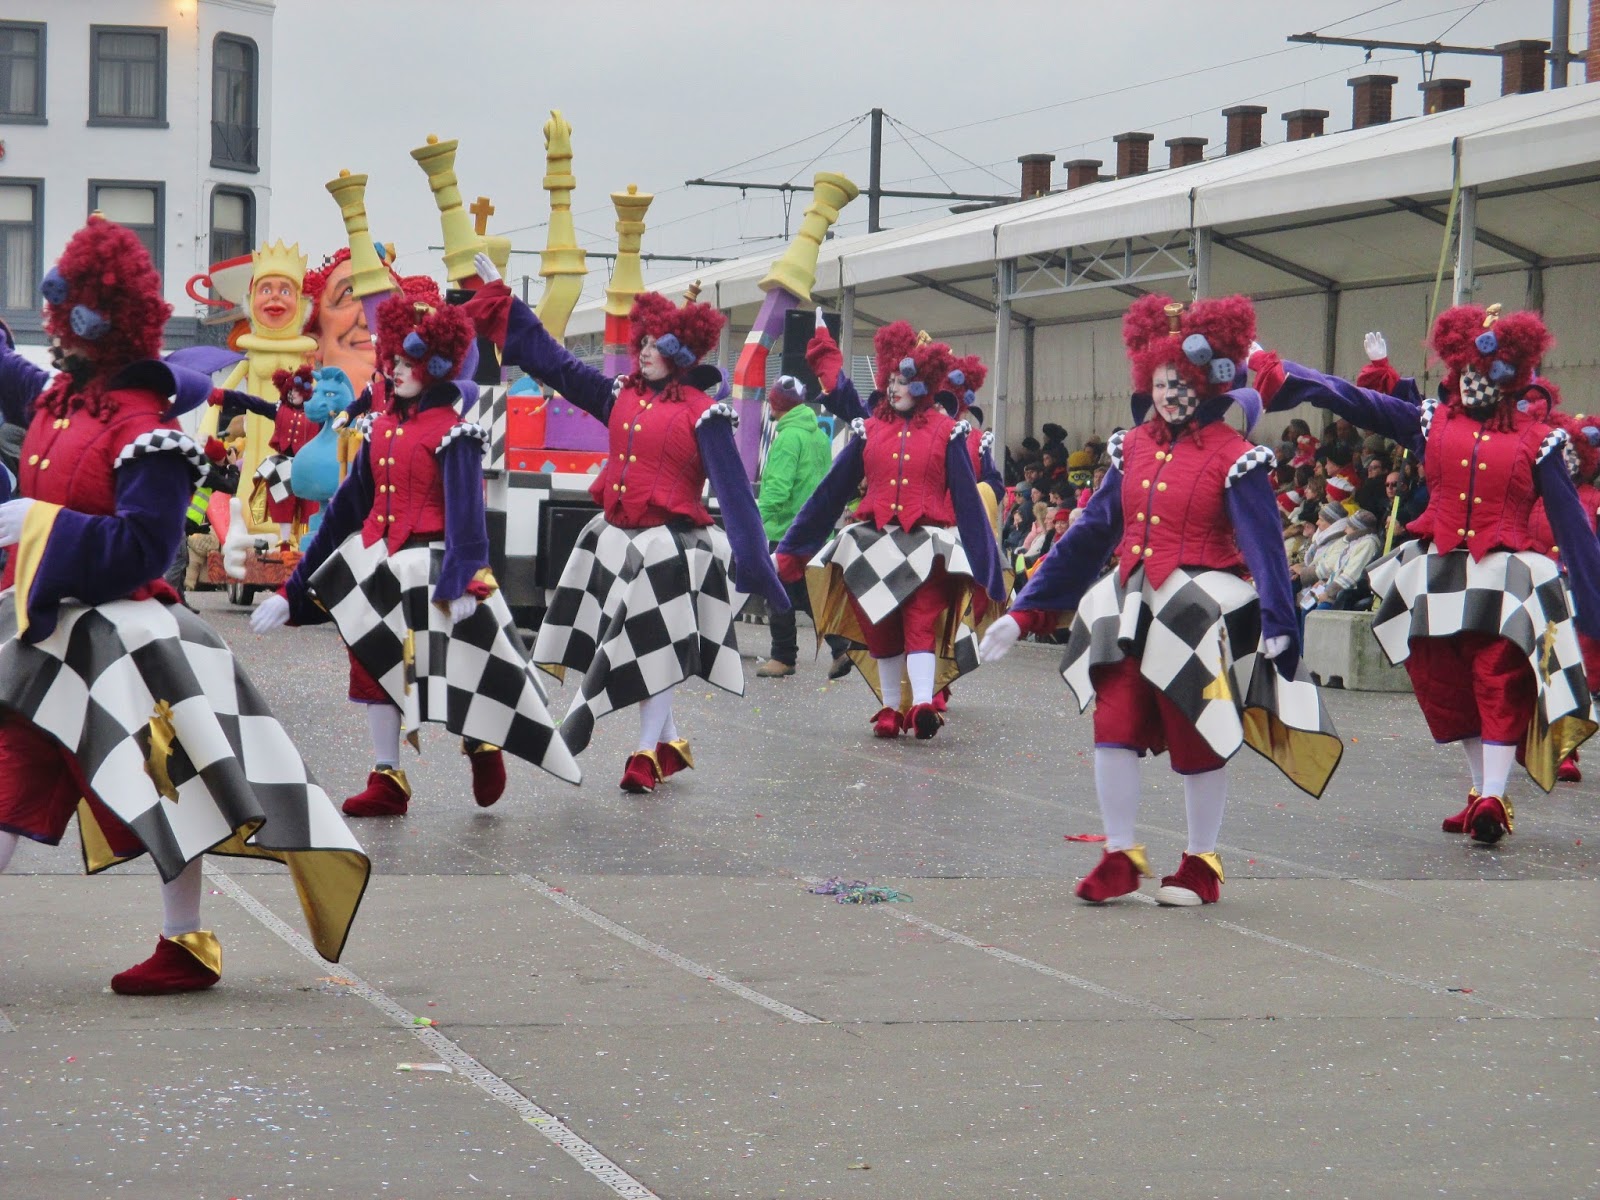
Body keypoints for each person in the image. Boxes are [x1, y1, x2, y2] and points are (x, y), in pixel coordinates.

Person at [0, 216, 370, 994]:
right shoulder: (63, 398)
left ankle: (188, 940)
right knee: (8, 778)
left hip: (126, 641)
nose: (58, 330)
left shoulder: (150, 430)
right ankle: (189, 942)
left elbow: (144, 547)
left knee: (172, 786)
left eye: (71, 315)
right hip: (48, 632)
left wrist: (42, 525)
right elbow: (10, 375)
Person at [979, 293, 1341, 908]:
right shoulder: (1133, 448)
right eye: (1163, 382)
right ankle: (1120, 854)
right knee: (1113, 724)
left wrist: (1281, 621)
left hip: (1199, 616)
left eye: (1185, 383)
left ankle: (1201, 862)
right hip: (1130, 609)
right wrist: (1025, 611)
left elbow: (1264, 548)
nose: (1172, 394)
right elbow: (1090, 535)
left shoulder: (1235, 456)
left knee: (1196, 730)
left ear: (1210, 383)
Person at [1250, 307, 1600, 844]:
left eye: (1489, 372)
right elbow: (1354, 399)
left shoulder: (1539, 439)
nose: (1476, 382)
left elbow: (1571, 522)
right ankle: (1481, 791)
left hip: (1506, 578)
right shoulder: (1431, 421)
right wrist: (1277, 371)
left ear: (1513, 376)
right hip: (1438, 575)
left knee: (1498, 678)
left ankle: (1494, 795)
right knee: (1448, 686)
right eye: (1467, 370)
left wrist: (1592, 604)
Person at [463, 253, 789, 793]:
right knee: (636, 645)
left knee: (650, 642)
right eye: (644, 343)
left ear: (681, 352)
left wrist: (761, 566)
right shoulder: (621, 394)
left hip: (670, 546)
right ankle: (669, 744)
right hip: (616, 537)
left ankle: (643, 753)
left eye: (657, 345)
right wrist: (504, 300)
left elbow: (735, 495)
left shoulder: (704, 413)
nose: (645, 352)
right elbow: (556, 364)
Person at [252, 289, 580, 815]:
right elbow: (343, 511)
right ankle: (388, 776)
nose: (397, 370)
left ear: (437, 364)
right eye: (394, 360)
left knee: (464, 665)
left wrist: (467, 579)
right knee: (373, 663)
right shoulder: (379, 427)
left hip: (437, 566)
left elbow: (468, 514)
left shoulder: (455, 432)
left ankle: (482, 744)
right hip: (381, 565)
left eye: (410, 362)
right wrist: (291, 593)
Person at [776, 320, 1004, 740]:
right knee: (879, 622)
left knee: (920, 621)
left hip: (927, 544)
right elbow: (830, 494)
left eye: (904, 380)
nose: (895, 387)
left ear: (923, 384)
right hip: (873, 542)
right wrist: (791, 549)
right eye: (891, 380)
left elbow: (969, 503)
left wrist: (988, 568)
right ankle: (889, 707)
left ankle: (922, 704)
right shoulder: (871, 429)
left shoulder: (947, 433)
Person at [755, 375, 847, 679]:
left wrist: (756, 520)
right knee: (809, 594)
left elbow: (777, 489)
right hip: (815, 529)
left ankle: (783, 657)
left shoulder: (787, 438)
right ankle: (841, 647)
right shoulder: (818, 435)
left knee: (777, 592)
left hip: (785, 531)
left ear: (776, 404)